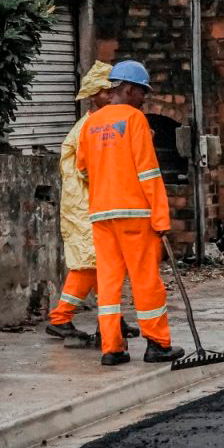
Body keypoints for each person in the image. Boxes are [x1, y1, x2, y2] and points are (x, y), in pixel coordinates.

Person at [77, 60, 184, 366]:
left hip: (101, 215)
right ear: (128, 88)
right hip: (135, 214)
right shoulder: (135, 120)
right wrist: (161, 218)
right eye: (142, 92)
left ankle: (112, 348)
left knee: (109, 283)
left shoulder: (91, 123)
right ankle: (157, 344)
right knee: (145, 280)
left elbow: (83, 170)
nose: (144, 99)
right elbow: (149, 174)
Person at [46, 62, 140, 343]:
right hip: (87, 204)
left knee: (103, 264)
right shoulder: (93, 124)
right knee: (91, 263)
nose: (113, 96)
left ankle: (111, 320)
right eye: (106, 91)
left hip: (91, 201)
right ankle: (61, 317)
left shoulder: (95, 123)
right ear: (96, 95)